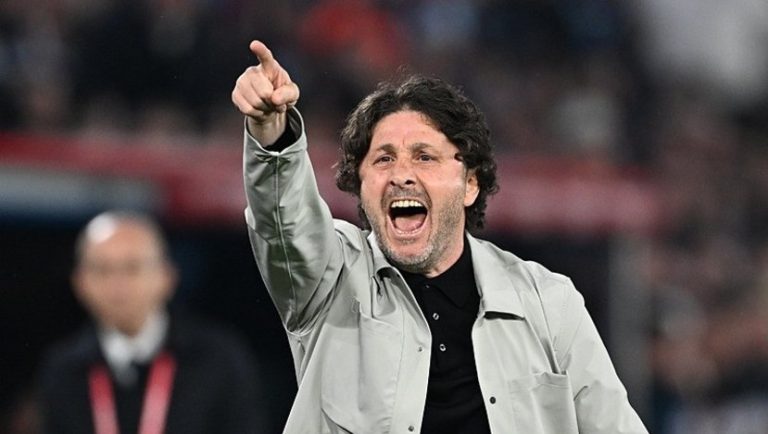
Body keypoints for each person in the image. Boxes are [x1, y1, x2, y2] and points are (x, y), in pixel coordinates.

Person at [233, 40, 648, 433]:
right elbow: (286, 222)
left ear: (470, 184)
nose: (401, 175)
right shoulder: (331, 280)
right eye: (384, 159)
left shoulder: (549, 304)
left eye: (424, 157)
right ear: (360, 185)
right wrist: (272, 131)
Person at [37, 211, 264, 434]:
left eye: (132, 268)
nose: (117, 284)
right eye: (102, 270)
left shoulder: (218, 359)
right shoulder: (63, 371)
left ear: (167, 277)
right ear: (80, 282)